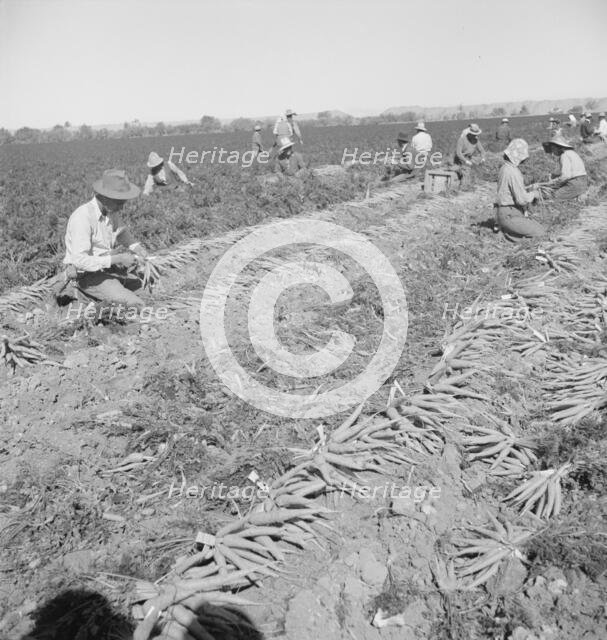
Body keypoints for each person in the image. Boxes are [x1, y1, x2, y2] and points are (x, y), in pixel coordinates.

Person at [63, 170, 148, 308]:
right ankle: (81, 293)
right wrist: (118, 259)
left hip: (107, 269)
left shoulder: (110, 211)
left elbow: (122, 233)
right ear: (104, 196)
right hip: (87, 275)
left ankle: (105, 291)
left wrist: (137, 248)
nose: (121, 207)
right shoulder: (82, 218)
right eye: (118, 202)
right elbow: (79, 260)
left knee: (148, 286)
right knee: (135, 304)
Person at [495, 139, 544, 241]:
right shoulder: (513, 172)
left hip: (506, 212)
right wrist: (533, 194)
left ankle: (507, 230)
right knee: (540, 233)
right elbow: (521, 200)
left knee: (535, 226)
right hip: (510, 214)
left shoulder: (505, 168)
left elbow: (509, 190)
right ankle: (507, 233)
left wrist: (528, 188)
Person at [541, 134, 588, 200]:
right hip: (582, 181)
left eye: (553, 149)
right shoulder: (571, 153)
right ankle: (577, 195)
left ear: (558, 147)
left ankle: (577, 197)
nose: (553, 152)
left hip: (575, 183)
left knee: (552, 196)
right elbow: (570, 173)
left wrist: (552, 182)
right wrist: (554, 176)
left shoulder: (564, 155)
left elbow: (566, 176)